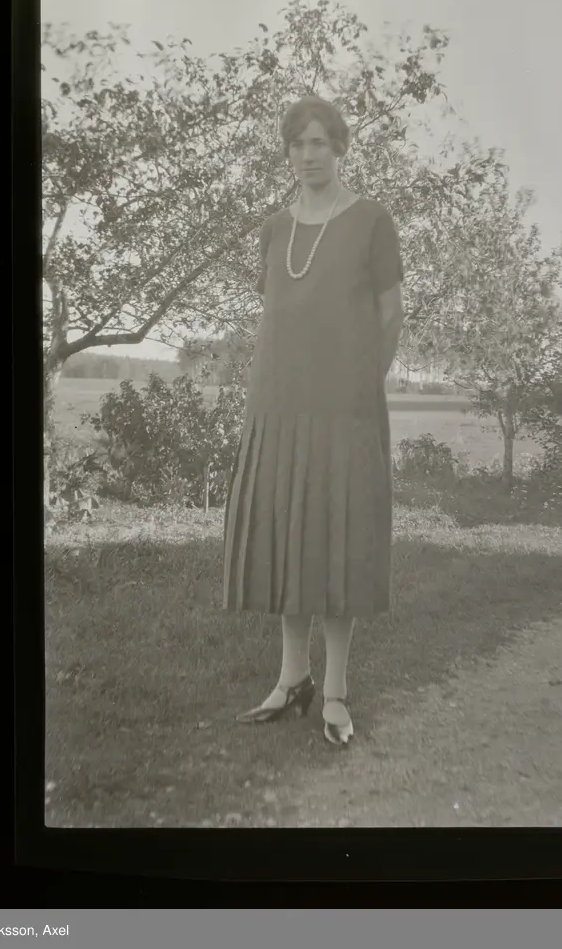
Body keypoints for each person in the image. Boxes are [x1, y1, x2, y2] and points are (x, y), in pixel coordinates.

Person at [223, 95, 404, 746]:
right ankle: (291, 679)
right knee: (286, 536)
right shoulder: (274, 228)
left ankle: (334, 693)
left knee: (336, 543)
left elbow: (390, 314)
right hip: (277, 405)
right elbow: (280, 314)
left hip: (344, 409)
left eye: (319, 142)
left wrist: (361, 384)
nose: (307, 154)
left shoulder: (372, 221)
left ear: (340, 147)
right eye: (297, 143)